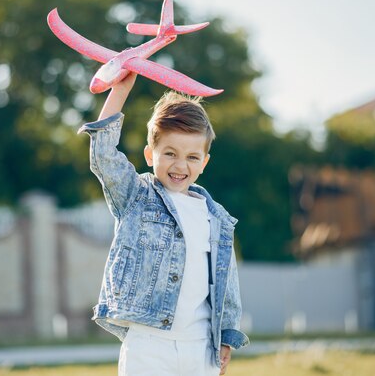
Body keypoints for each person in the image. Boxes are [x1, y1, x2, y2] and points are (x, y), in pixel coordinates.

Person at [78, 72, 249, 376]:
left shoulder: (216, 217)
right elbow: (103, 156)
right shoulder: (137, 196)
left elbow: (226, 282)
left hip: (200, 346)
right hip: (148, 343)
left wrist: (226, 336)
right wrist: (120, 89)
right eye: (169, 153)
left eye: (192, 157)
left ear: (205, 162)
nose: (180, 165)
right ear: (149, 155)